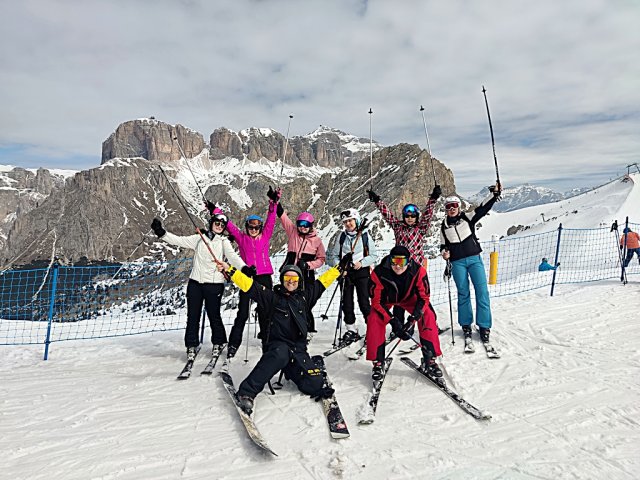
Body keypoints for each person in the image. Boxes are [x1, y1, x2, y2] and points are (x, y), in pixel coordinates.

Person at [217, 255, 352, 415]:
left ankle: (291, 369)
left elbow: (323, 282)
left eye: (294, 279)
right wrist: (230, 270)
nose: (291, 282)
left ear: (299, 281)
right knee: (280, 354)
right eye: (287, 278)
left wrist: (339, 268)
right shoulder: (272, 297)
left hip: (298, 349)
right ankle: (247, 392)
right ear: (282, 280)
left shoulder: (305, 297)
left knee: (314, 384)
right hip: (278, 347)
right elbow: (249, 285)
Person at [150, 213, 248, 360]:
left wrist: (245, 268)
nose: (219, 226)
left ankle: (219, 342)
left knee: (214, 315)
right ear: (211, 223)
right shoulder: (199, 238)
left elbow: (233, 257)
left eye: (222, 225)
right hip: (195, 283)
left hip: (214, 284)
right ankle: (191, 345)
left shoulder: (223, 242)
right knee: (192, 316)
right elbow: (179, 241)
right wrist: (161, 232)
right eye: (217, 223)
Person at [208, 187, 280, 358]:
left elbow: (271, 219)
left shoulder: (265, 236)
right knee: (242, 313)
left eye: (256, 227)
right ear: (247, 227)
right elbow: (228, 224)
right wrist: (215, 211)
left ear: (260, 228)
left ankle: (268, 343)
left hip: (264, 277)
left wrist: (273, 202)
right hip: (247, 277)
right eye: (250, 227)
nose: (253, 230)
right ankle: (234, 344)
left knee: (266, 312)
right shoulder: (241, 238)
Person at [366, 184, 442, 329]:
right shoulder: (398, 227)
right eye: (407, 216)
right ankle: (399, 327)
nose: (410, 218)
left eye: (413, 216)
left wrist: (433, 198)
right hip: (399, 268)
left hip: (414, 271)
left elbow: (428, 214)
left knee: (420, 299)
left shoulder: (421, 228)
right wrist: (377, 200)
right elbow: (387, 214)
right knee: (399, 300)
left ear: (417, 217)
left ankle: (430, 324)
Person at [367, 245, 442, 380]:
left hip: (410, 299)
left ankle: (430, 359)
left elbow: (424, 298)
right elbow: (376, 301)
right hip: (386, 300)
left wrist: (413, 319)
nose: (398, 266)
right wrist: (392, 320)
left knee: (428, 315)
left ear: (409, 261)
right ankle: (378, 361)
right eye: (394, 261)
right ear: (390, 260)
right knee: (374, 318)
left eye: (402, 262)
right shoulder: (379, 273)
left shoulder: (418, 271)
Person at [439, 183, 501, 344]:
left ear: (459, 207)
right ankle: (466, 324)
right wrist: (444, 253)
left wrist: (494, 195)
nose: (451, 209)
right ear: (445, 209)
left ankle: (484, 326)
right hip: (457, 262)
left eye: (454, 206)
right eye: (448, 207)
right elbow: (443, 245)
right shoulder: (444, 227)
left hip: (474, 259)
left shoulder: (467, 217)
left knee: (482, 291)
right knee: (463, 293)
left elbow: (482, 208)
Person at [327, 208, 378, 344]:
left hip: (362, 272)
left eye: (350, 220)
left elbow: (373, 255)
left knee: (364, 303)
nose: (348, 224)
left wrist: (362, 263)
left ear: (356, 220)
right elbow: (335, 256)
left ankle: (372, 329)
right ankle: (351, 330)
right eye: (345, 222)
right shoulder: (342, 237)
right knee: (347, 303)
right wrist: (340, 268)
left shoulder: (365, 236)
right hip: (346, 273)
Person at [277, 201, 326, 334]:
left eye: (306, 225)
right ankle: (289, 327)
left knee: (305, 301)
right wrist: (276, 203)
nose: (303, 227)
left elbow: (321, 259)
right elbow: (283, 217)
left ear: (311, 225)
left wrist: (308, 265)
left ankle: (307, 329)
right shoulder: (293, 232)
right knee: (287, 299)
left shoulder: (316, 241)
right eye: (300, 224)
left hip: (306, 275)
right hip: (290, 272)